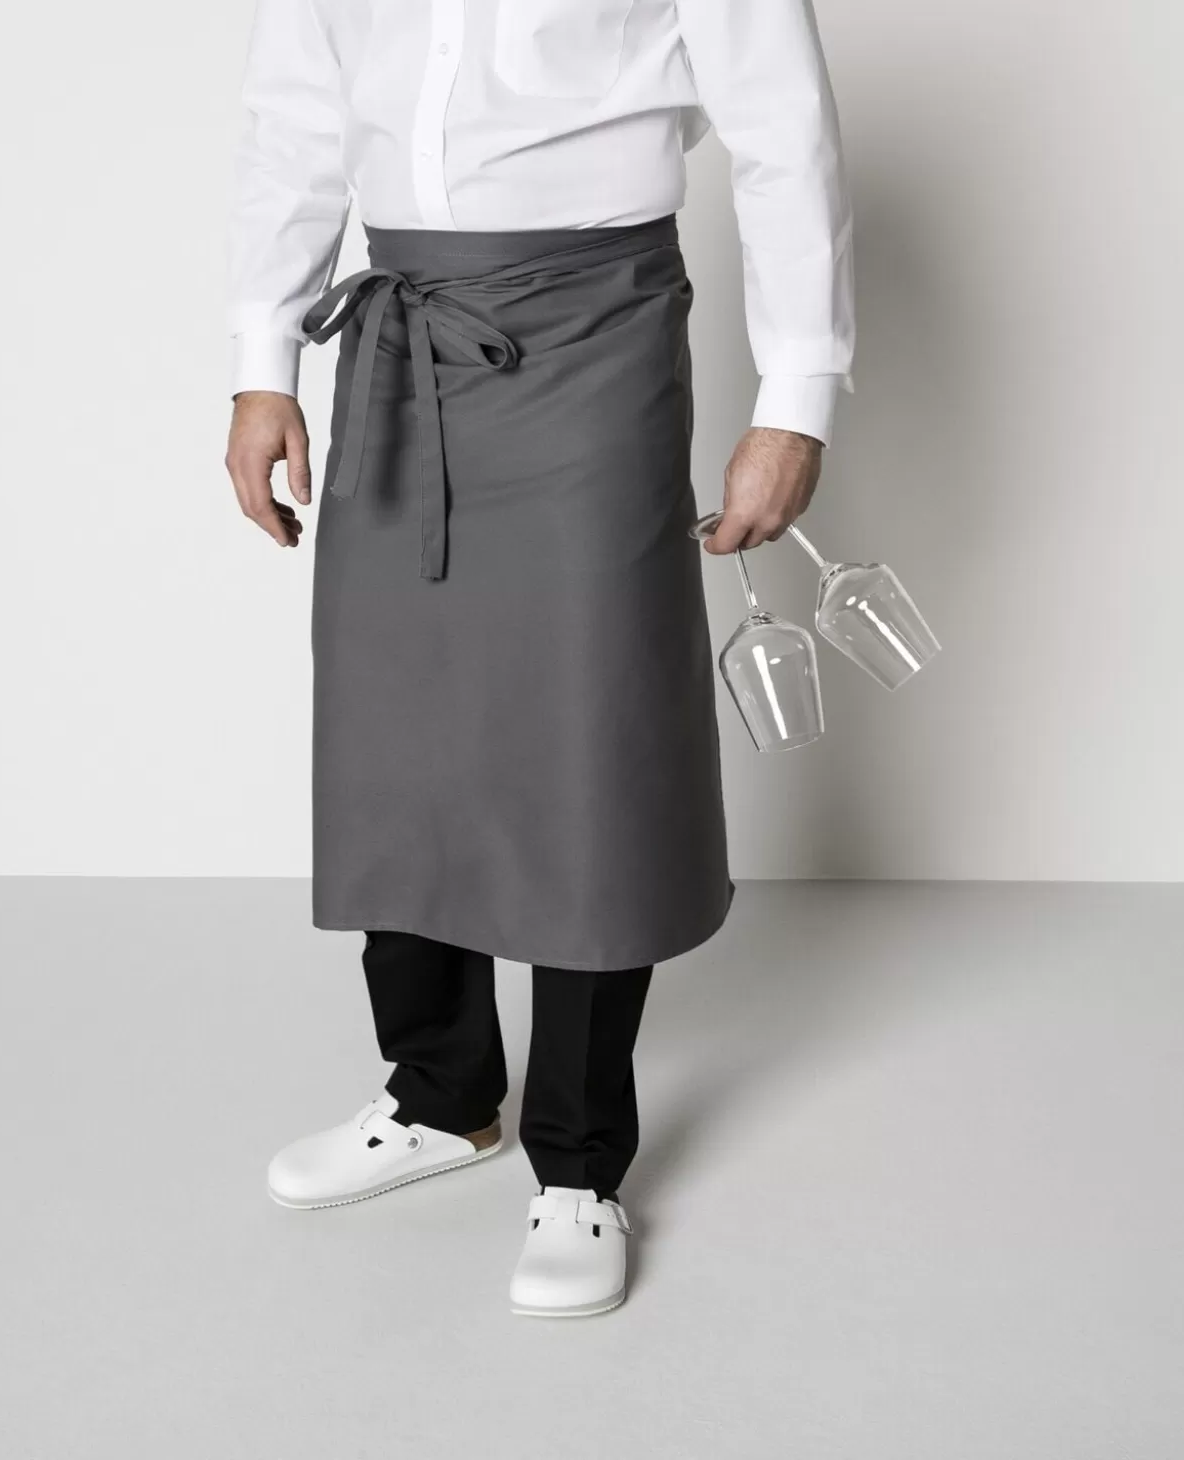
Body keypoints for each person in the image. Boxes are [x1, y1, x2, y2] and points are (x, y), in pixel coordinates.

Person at [223, 0, 854, 1318]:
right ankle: (441, 1094)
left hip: (594, 328)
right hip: (399, 333)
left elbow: (782, 133)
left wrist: (795, 400)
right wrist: (263, 361)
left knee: (587, 733)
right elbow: (295, 123)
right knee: (398, 722)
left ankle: (579, 1161)